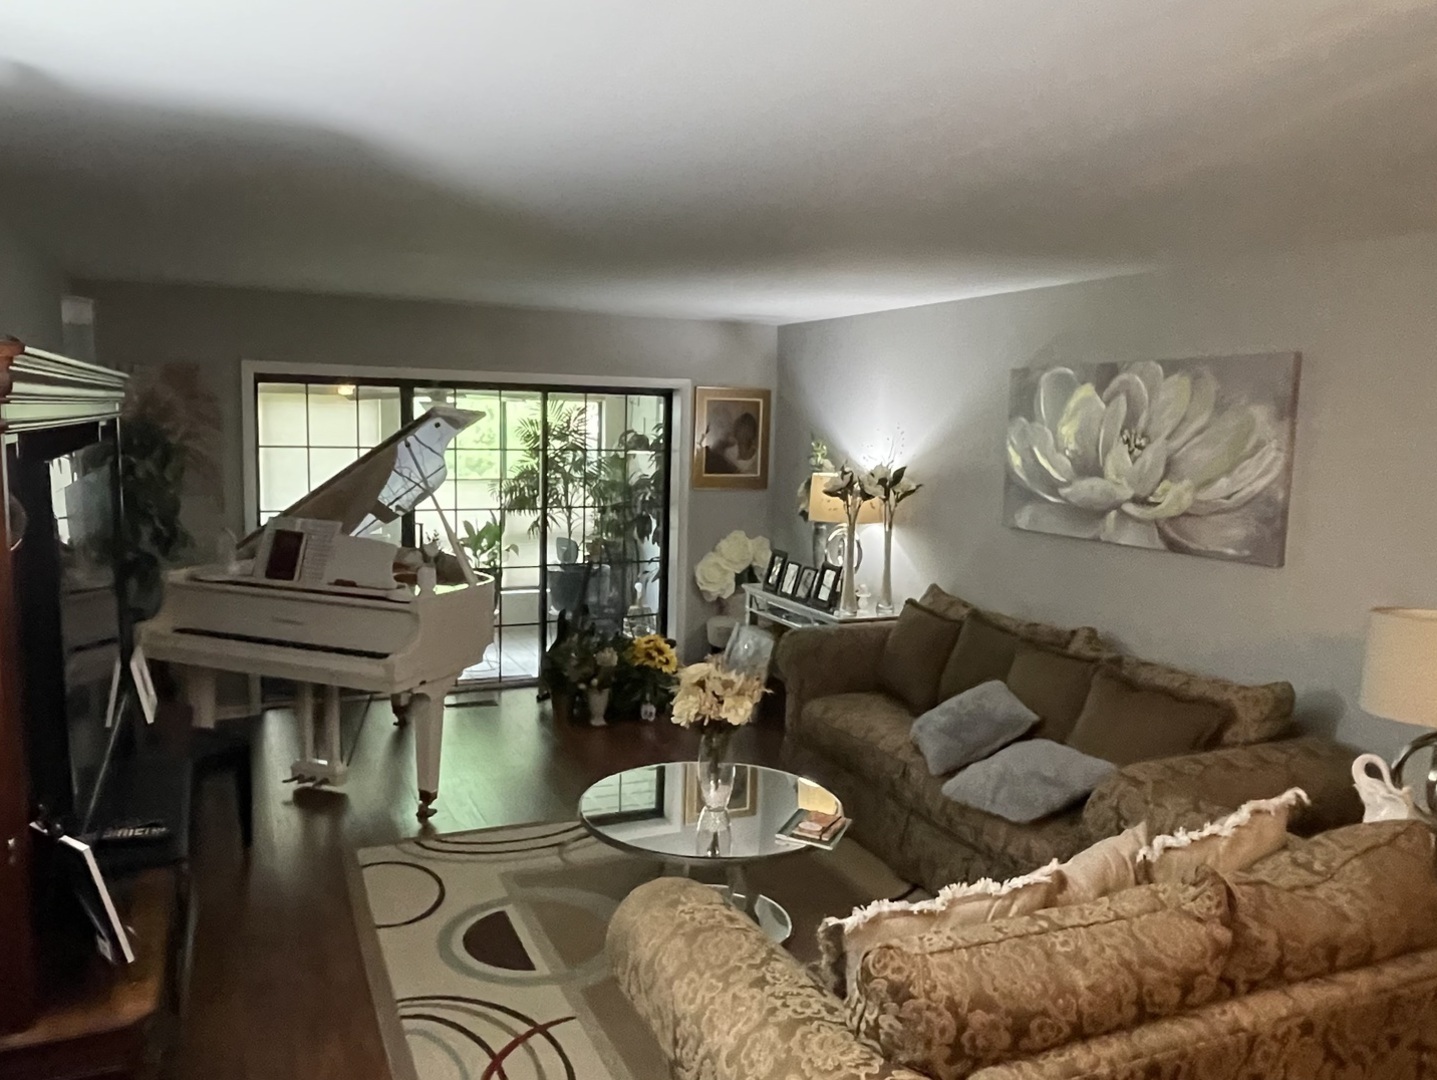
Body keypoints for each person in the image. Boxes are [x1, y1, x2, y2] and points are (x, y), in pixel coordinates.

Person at [702, 407, 759, 475]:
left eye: (747, 429)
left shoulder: (758, 458)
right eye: (741, 428)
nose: (744, 432)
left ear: (752, 432)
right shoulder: (728, 453)